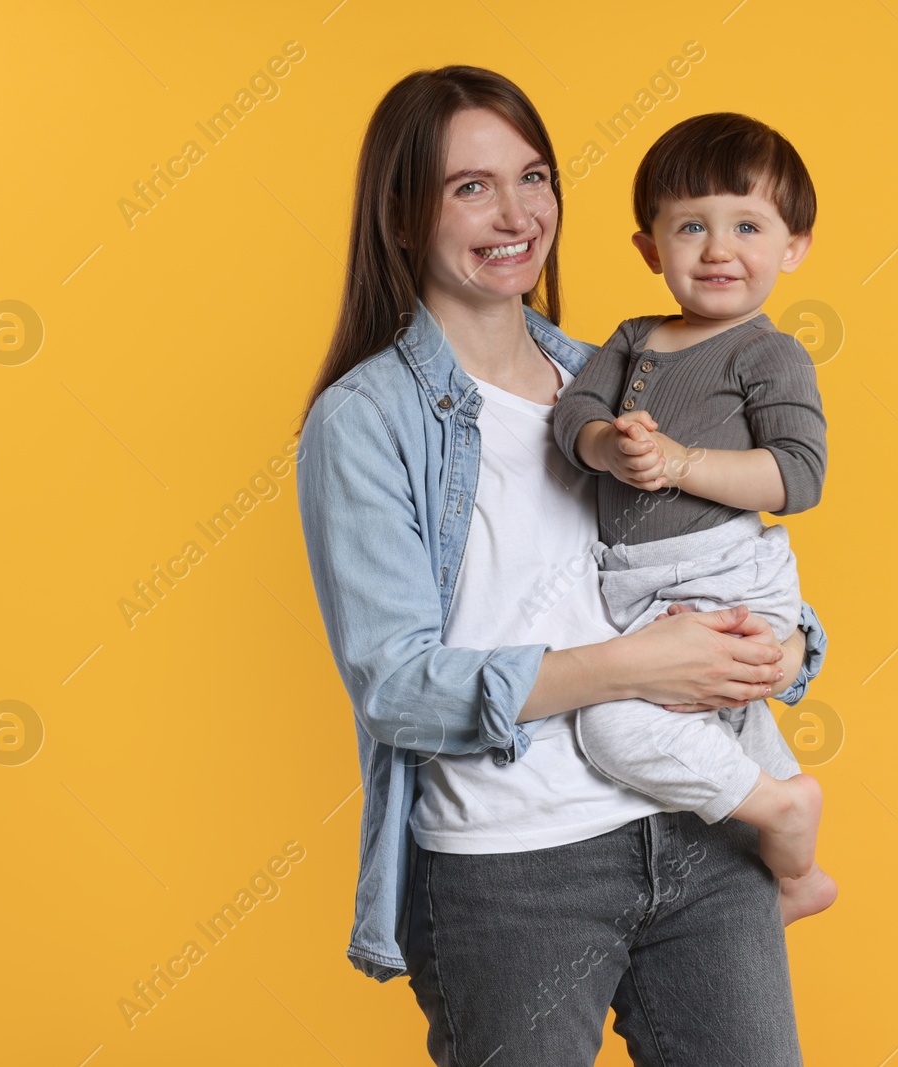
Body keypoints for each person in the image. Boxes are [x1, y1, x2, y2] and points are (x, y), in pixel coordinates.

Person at [294, 65, 828, 1066]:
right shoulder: (365, 422)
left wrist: (788, 646)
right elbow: (399, 689)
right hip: (512, 869)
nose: (515, 212)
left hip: (702, 825)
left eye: (532, 176)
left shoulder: (629, 376)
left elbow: (719, 556)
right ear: (402, 215)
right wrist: (635, 668)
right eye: (469, 186)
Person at [550, 112, 837, 926]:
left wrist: (679, 463)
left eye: (747, 225)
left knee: (613, 726)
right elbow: (573, 414)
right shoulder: (634, 339)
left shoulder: (766, 352)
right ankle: (794, 870)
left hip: (727, 572)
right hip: (639, 586)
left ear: (793, 246)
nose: (717, 249)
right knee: (726, 717)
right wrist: (609, 445)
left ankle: (782, 817)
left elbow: (798, 473)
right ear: (650, 249)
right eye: (691, 227)